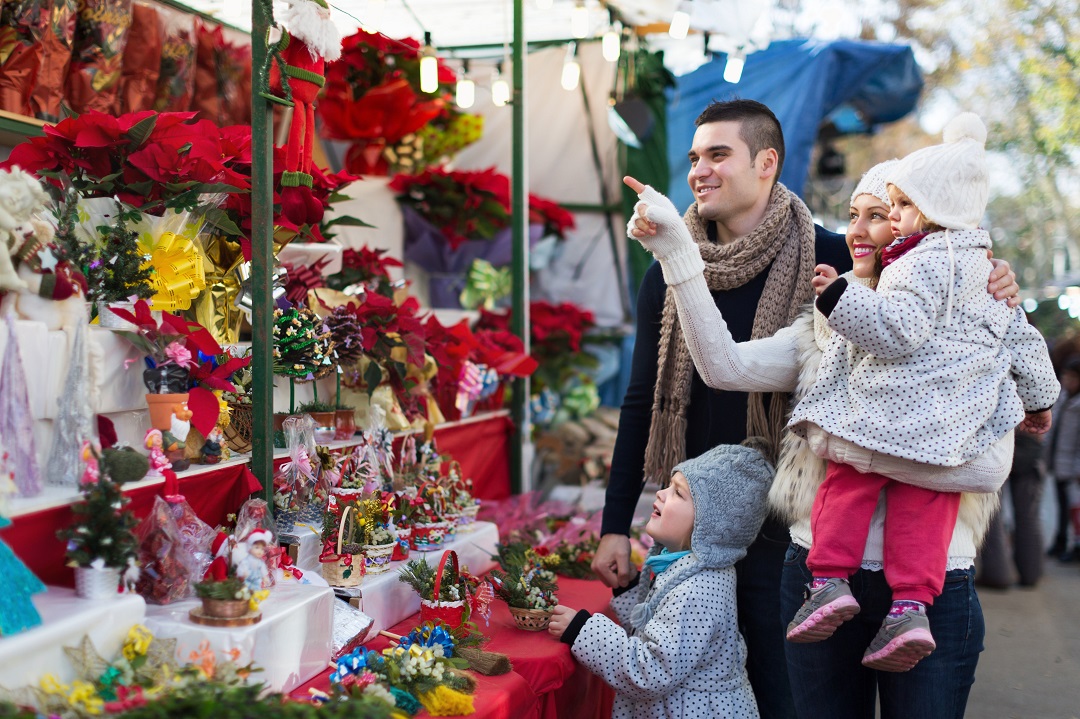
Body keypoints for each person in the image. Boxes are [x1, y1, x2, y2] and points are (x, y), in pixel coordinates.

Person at [596, 99, 1019, 717]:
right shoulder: (686, 272)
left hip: (832, 536)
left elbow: (977, 409)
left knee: (787, 693)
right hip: (723, 526)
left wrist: (990, 278)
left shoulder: (840, 266)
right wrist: (615, 519)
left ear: (766, 162)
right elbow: (675, 386)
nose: (699, 171)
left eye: (718, 154)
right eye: (694, 157)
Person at [781, 113, 1058, 670]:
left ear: (929, 212)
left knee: (847, 478)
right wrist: (1041, 400)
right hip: (949, 434)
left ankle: (830, 580)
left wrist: (838, 299)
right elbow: (1023, 341)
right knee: (928, 504)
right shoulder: (985, 273)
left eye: (895, 210)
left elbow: (895, 328)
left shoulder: (914, 266)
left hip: (886, 418)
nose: (888, 224)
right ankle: (911, 609)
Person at [550, 444, 773, 719]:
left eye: (678, 492)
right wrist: (630, 589)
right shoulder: (690, 568)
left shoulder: (698, 589)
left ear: (709, 523)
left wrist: (583, 630)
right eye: (669, 484)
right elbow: (663, 630)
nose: (661, 493)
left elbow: (651, 671)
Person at [978, 426, 1047, 587]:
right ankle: (1031, 574)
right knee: (1028, 515)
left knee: (992, 513)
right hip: (1030, 436)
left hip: (995, 437)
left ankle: (997, 574)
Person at [1046, 357, 1080, 561]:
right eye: (1066, 375)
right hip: (1059, 463)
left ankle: (1075, 547)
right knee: (1062, 507)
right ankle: (1060, 541)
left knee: (1074, 509)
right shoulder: (1063, 397)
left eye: (1072, 377)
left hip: (1073, 469)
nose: (1067, 380)